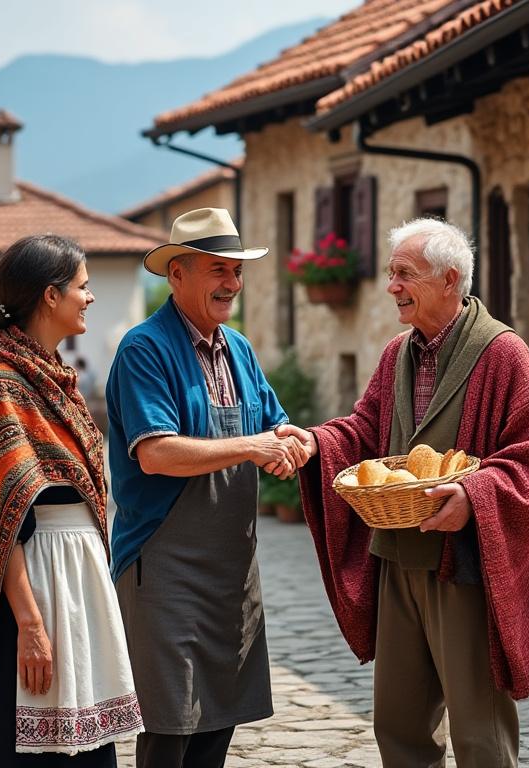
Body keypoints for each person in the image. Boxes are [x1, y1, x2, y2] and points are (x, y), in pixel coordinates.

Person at [278, 218, 529, 768]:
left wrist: (474, 494)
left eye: (405, 274)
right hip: (396, 558)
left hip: (464, 567)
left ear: (449, 280)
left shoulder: (503, 355)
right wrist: (315, 442)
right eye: (390, 273)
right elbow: (364, 430)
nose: (392, 285)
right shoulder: (398, 353)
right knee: (398, 727)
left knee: (479, 732)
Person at [105, 208, 309, 768]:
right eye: (219, 269)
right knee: (170, 728)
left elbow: (272, 424)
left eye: (237, 272)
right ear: (177, 274)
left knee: (220, 719)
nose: (232, 284)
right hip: (164, 566)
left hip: (231, 569)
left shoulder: (238, 349)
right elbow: (156, 453)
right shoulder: (144, 349)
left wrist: (294, 442)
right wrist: (252, 448)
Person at [0, 235, 143, 768]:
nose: (90, 298)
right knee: (31, 743)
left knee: (86, 742)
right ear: (50, 297)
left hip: (77, 579)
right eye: (82, 286)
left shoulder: (56, 379)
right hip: (34, 585)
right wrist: (30, 623)